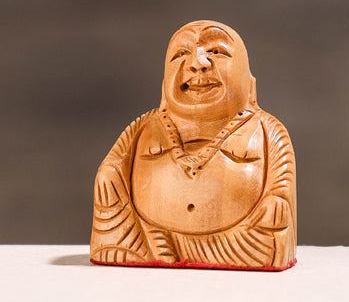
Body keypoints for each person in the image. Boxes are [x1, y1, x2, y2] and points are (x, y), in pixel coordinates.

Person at [90, 20, 296, 270]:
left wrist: (276, 198)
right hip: (149, 237)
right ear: (164, 83)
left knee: (266, 240)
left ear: (248, 81)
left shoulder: (266, 129)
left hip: (241, 240)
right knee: (120, 231)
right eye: (181, 54)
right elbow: (116, 160)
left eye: (216, 52)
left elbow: (281, 173)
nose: (198, 63)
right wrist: (109, 172)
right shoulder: (143, 126)